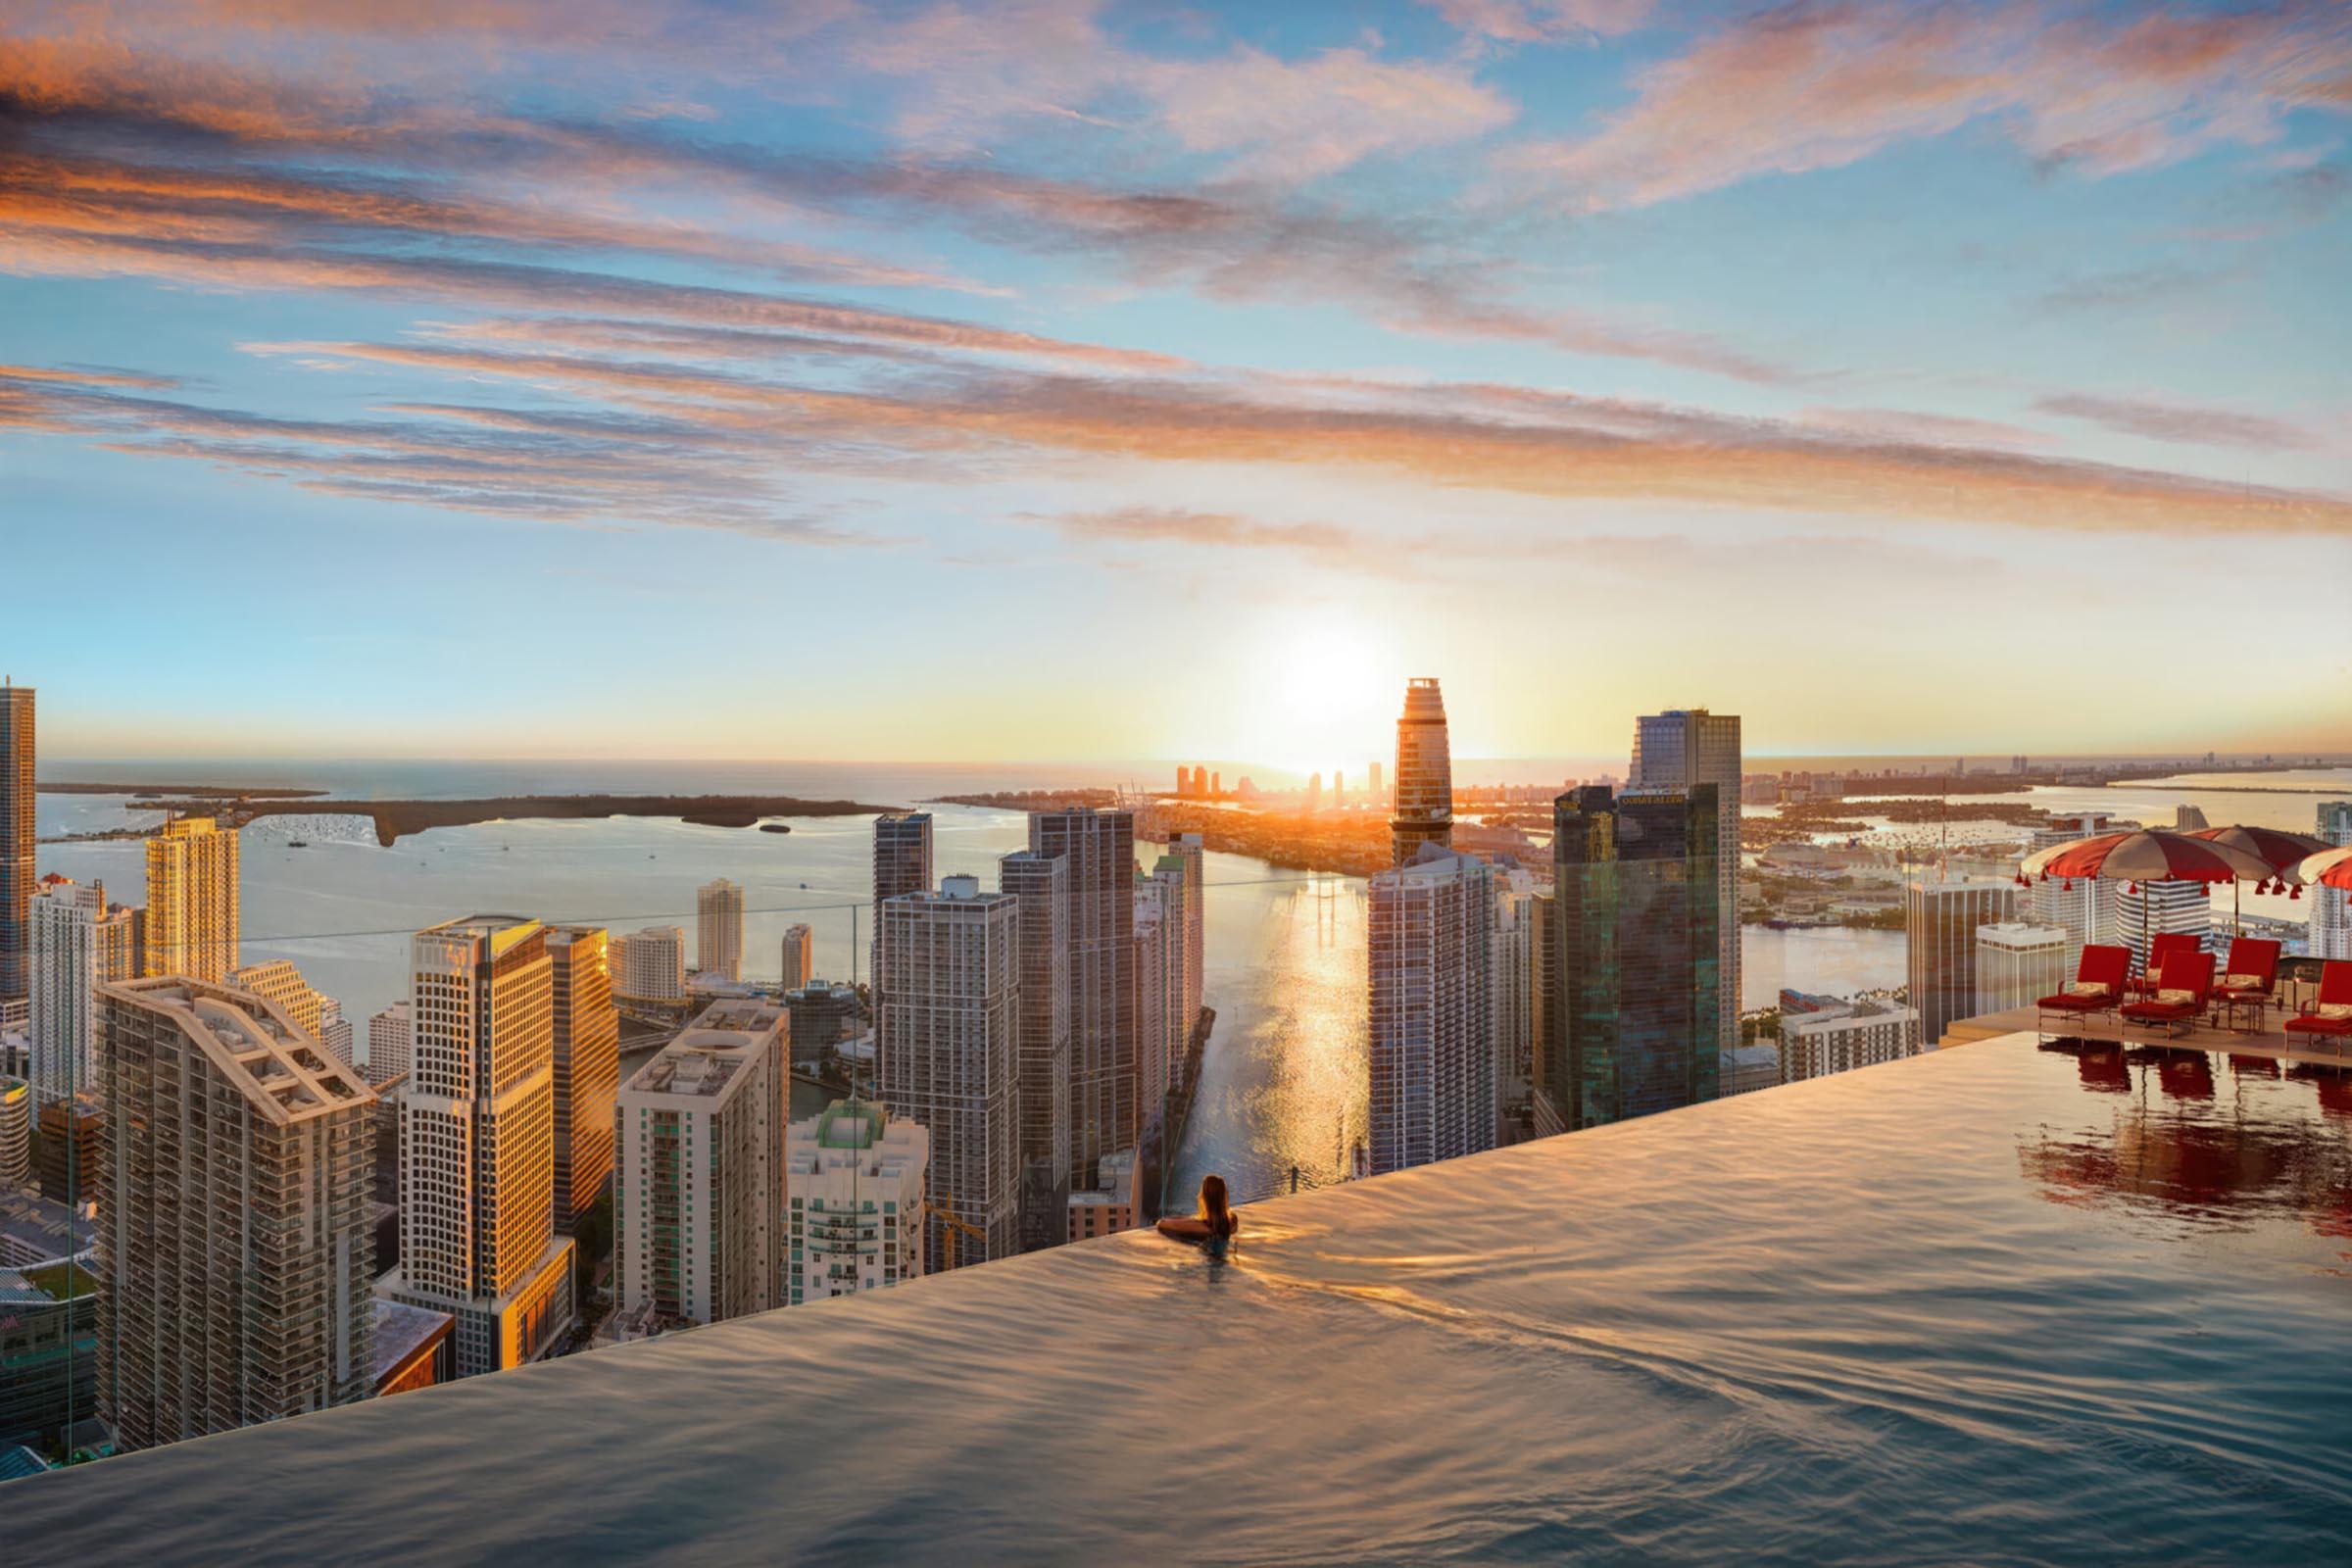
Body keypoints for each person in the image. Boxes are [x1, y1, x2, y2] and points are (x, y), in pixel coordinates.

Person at [1156, 1174, 1240, 1258]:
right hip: (1222, 1258)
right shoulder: (1232, 1221)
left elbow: (1161, 1223)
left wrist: (1189, 1221)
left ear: (1204, 1198)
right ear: (1224, 1197)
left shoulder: (1202, 1226)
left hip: (1209, 1262)